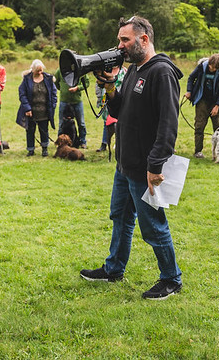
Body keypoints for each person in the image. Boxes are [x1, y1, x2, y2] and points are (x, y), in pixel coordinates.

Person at [80, 15, 184, 300]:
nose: (120, 46)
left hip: (144, 168)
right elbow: (119, 110)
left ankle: (171, 279)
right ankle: (114, 268)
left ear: (144, 39)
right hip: (125, 166)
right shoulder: (135, 70)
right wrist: (111, 86)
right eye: (119, 40)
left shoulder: (160, 72)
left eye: (125, 40)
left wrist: (155, 166)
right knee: (121, 217)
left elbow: (168, 125)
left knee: (153, 226)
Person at [184, 53, 219, 158]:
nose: (213, 69)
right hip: (201, 99)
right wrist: (189, 91)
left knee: (218, 127)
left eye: (216, 68)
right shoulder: (202, 66)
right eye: (212, 67)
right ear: (209, 63)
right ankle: (198, 151)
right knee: (199, 125)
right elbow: (191, 77)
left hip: (214, 101)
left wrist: (217, 106)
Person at [16, 59, 57, 156]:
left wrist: (53, 105)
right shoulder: (27, 79)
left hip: (45, 111)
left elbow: (54, 94)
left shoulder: (48, 79)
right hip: (31, 111)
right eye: (37, 70)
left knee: (44, 130)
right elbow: (22, 94)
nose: (39, 72)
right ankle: (31, 149)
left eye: (41, 70)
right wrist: (27, 108)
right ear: (33, 69)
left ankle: (45, 149)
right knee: (30, 131)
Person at [54, 67, 89, 148]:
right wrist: (63, 89)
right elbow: (55, 81)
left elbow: (86, 83)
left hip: (77, 101)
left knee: (81, 123)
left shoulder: (81, 70)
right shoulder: (60, 70)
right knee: (61, 124)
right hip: (64, 101)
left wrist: (77, 88)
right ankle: (60, 142)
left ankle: (83, 142)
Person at [95, 64, 127, 152]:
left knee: (118, 123)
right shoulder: (106, 71)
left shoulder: (124, 72)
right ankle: (104, 143)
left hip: (119, 100)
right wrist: (99, 99)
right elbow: (98, 87)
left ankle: (118, 143)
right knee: (107, 123)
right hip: (107, 100)